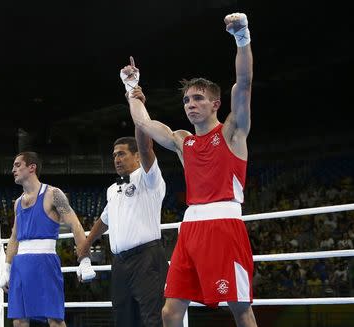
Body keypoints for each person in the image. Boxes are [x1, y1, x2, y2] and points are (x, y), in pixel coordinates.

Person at [119, 12, 257, 327]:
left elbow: (245, 84)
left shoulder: (232, 132)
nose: (190, 104)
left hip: (225, 225)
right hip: (190, 229)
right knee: (169, 312)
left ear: (215, 104)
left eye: (197, 98)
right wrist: (131, 86)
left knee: (239, 308)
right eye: (186, 100)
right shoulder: (183, 141)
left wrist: (241, 37)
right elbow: (142, 122)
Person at [78, 133, 169, 327]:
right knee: (123, 318)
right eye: (114, 156)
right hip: (120, 262)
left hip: (147, 258)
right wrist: (86, 244)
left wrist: (141, 124)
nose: (117, 159)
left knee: (152, 318)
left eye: (122, 154)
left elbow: (147, 150)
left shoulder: (149, 179)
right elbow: (105, 218)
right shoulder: (112, 189)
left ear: (137, 156)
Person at [0, 151, 96, 327]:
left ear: (32, 167)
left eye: (17, 165)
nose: (13, 169)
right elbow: (14, 237)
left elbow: (75, 225)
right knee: (19, 321)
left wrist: (85, 259)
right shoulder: (17, 202)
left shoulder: (53, 194)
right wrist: (7, 268)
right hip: (20, 264)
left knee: (55, 319)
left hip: (45, 261)